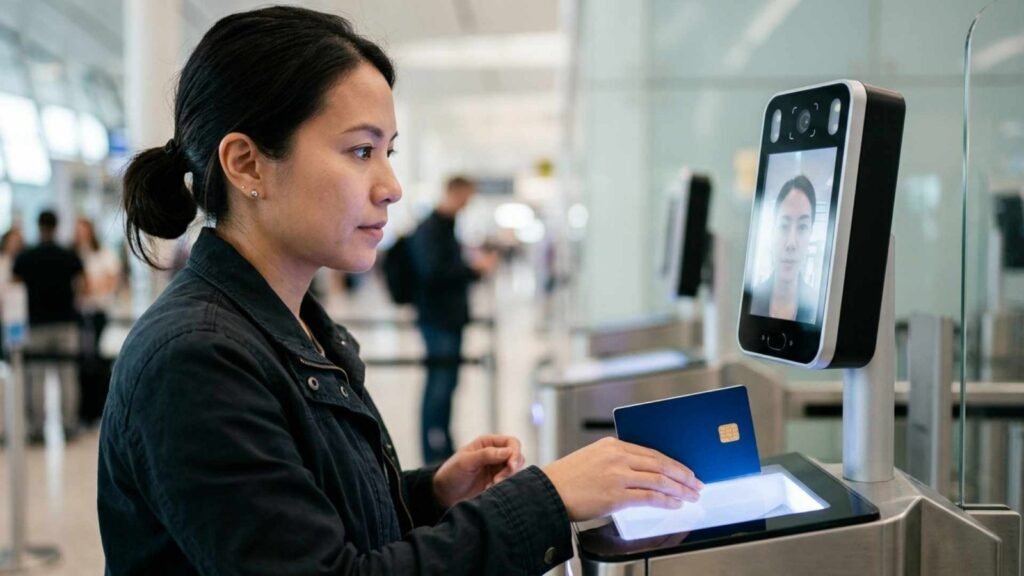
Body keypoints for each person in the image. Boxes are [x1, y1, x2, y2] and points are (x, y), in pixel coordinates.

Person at [98, 7, 703, 575]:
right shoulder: (196, 360)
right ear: (248, 164)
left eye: (388, 152)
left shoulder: (298, 328)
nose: (391, 186)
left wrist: (426, 494)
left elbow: (313, 518)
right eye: (360, 151)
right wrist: (547, 499)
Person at [409, 176, 498, 464]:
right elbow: (435, 273)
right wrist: (473, 269)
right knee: (439, 384)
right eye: (465, 197)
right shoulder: (432, 228)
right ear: (453, 192)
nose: (466, 204)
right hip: (439, 320)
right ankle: (432, 450)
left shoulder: (446, 227)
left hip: (448, 319)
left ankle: (443, 445)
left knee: (447, 385)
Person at [13, 210, 84, 440]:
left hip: (36, 324)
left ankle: (36, 429)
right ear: (56, 226)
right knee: (68, 376)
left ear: (38, 225)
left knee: (35, 378)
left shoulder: (26, 257)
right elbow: (82, 285)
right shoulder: (68, 255)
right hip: (65, 322)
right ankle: (70, 426)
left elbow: (15, 289)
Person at [73, 217, 121, 426]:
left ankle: (100, 407)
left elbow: (109, 282)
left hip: (99, 312)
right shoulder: (74, 255)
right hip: (81, 313)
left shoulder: (104, 255)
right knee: (82, 362)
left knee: (98, 361)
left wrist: (93, 287)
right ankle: (84, 410)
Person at [751, 175, 817, 323]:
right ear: (773, 229)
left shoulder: (818, 306)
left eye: (802, 227)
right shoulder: (751, 299)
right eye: (784, 226)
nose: (791, 243)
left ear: (811, 233)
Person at [0, 225, 25, 353]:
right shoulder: (2, 263)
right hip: (3, 312)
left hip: (17, 316)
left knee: (16, 352)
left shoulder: (25, 263)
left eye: (18, 242)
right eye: (12, 241)